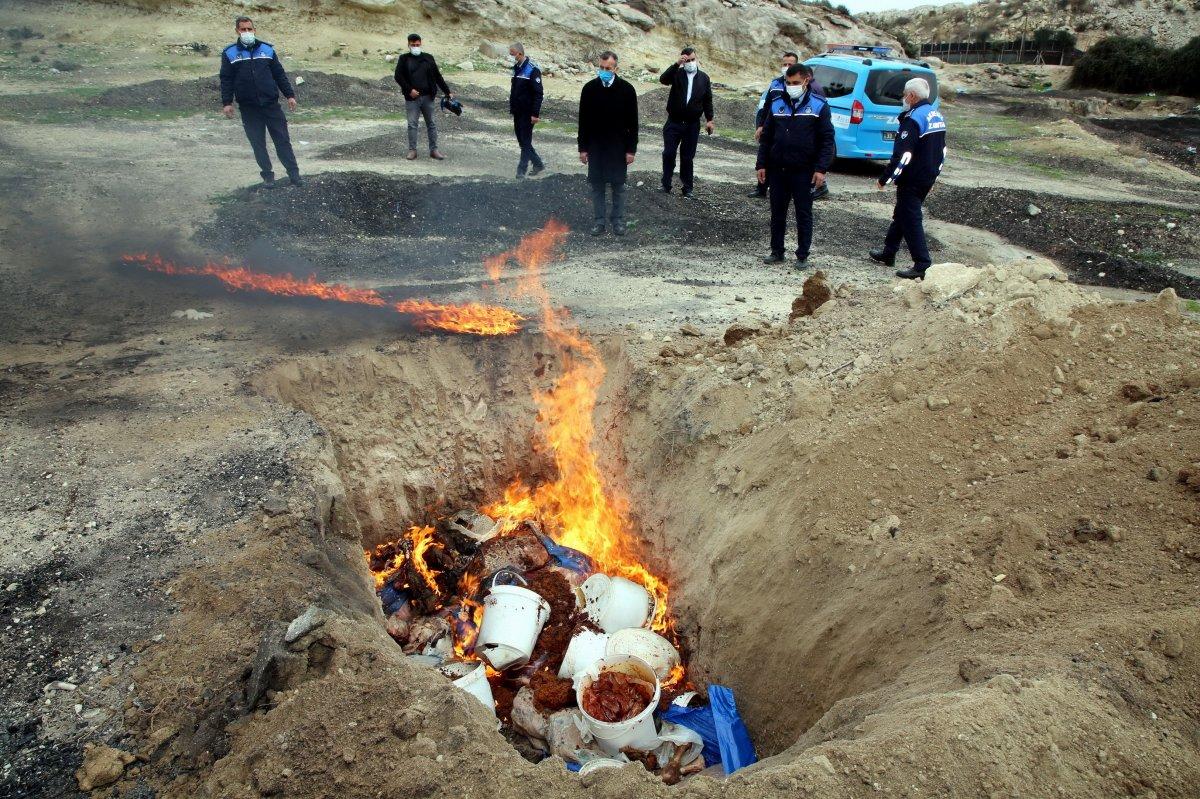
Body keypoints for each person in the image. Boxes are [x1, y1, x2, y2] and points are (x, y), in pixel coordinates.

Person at [755, 64, 834, 267]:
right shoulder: (777, 104)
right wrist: (761, 164)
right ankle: (777, 251)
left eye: (796, 83)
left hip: (804, 171)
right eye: (788, 83)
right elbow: (766, 138)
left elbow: (827, 140)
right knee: (777, 213)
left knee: (803, 214)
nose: (791, 87)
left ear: (806, 81)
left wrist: (821, 169)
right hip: (778, 169)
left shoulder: (819, 106)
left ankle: (802, 255)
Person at [868, 77, 946, 280]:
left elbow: (903, 155)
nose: (903, 99)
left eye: (904, 95)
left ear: (911, 96)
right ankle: (889, 252)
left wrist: (886, 178)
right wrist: (935, 175)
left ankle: (922, 263)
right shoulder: (935, 115)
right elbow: (942, 151)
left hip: (912, 177)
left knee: (911, 218)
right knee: (902, 214)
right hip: (927, 175)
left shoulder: (913, 119)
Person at [220, 16, 302, 189]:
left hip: (271, 105)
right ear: (237, 31)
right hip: (249, 108)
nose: (247, 32)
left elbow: (279, 74)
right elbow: (226, 79)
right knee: (258, 143)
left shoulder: (267, 50)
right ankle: (268, 177)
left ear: (254, 30)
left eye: (249, 29)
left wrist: (289, 95)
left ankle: (294, 175)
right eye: (243, 29)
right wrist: (227, 102)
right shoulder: (230, 53)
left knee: (282, 141)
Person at [750, 52, 830, 200]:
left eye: (790, 64)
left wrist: (820, 168)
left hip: (803, 162)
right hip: (778, 146)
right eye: (784, 64)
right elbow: (768, 106)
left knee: (802, 207)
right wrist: (761, 125)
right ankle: (762, 187)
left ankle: (820, 187)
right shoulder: (776, 84)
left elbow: (825, 137)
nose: (786, 67)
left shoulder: (814, 92)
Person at [577, 51, 639, 236]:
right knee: (597, 186)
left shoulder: (627, 90)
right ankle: (599, 222)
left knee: (618, 186)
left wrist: (631, 150)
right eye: (601, 68)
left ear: (615, 69)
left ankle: (617, 221)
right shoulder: (589, 89)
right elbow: (583, 122)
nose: (604, 71)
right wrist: (582, 148)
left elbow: (633, 124)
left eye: (608, 68)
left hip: (618, 147)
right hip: (596, 146)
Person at [658, 47, 714, 197]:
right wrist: (676, 64)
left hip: (692, 124)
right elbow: (663, 80)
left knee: (688, 157)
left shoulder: (704, 78)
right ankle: (666, 184)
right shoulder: (677, 74)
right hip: (674, 122)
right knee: (668, 153)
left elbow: (707, 100)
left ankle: (687, 188)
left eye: (692, 60)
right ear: (683, 61)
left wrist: (710, 120)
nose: (690, 63)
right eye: (687, 60)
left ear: (696, 59)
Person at [394, 33, 453, 161]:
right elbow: (398, 76)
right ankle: (412, 150)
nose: (415, 47)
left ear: (421, 43)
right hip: (412, 98)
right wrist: (409, 90)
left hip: (428, 97)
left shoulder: (428, 58)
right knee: (412, 124)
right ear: (408, 44)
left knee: (431, 124)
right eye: (413, 45)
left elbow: (437, 76)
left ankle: (434, 150)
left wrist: (447, 91)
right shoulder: (404, 59)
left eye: (417, 44)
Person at [508, 42, 544, 179]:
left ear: (520, 53)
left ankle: (521, 171)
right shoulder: (516, 68)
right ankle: (538, 163)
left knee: (525, 141)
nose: (511, 57)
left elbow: (538, 93)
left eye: (513, 54)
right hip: (517, 111)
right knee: (522, 141)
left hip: (528, 112)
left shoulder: (532, 70)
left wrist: (535, 113)